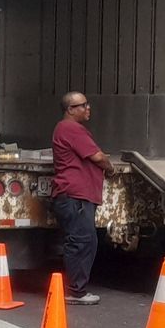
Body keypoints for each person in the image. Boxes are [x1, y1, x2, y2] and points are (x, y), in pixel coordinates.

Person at [50, 92, 114, 305]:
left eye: (88, 104)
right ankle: (76, 292)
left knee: (84, 240)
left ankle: (77, 289)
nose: (88, 108)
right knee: (82, 241)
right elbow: (98, 157)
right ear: (70, 109)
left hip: (75, 196)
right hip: (75, 196)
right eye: (83, 105)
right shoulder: (71, 129)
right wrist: (110, 168)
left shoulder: (67, 129)